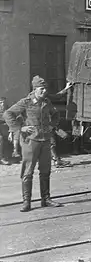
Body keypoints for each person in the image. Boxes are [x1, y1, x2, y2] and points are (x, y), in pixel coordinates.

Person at [3, 76, 63, 212]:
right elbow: (8, 114)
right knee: (28, 172)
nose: (44, 91)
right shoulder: (26, 102)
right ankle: (27, 202)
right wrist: (20, 128)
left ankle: (46, 199)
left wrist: (52, 126)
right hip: (30, 141)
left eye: (45, 89)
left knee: (45, 170)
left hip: (45, 141)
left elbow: (55, 115)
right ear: (35, 89)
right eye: (42, 89)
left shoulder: (47, 102)